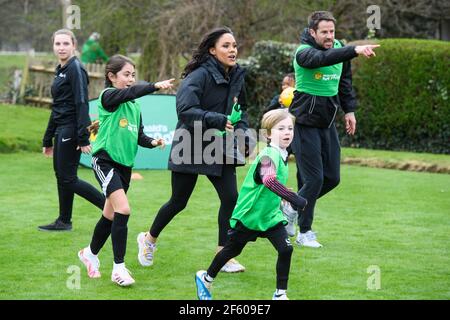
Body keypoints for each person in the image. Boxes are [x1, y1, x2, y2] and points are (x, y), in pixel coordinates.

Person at [137, 27, 252, 273]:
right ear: (212, 50)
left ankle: (224, 255)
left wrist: (244, 135)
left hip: (220, 145)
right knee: (179, 201)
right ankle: (149, 239)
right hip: (190, 142)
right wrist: (218, 120)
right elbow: (185, 110)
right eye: (226, 46)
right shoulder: (198, 76)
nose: (232, 50)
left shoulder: (237, 76)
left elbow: (240, 111)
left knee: (231, 199)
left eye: (234, 46)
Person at [77, 54, 174, 286]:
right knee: (124, 209)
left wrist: (153, 142)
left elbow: (139, 135)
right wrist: (154, 86)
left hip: (125, 167)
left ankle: (89, 254)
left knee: (110, 216)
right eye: (126, 75)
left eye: (133, 75)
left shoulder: (134, 106)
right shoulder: (108, 96)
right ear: (112, 77)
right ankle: (118, 268)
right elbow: (128, 93)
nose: (131, 79)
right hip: (105, 162)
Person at [195, 109, 307, 300]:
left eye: (290, 128)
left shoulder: (282, 154)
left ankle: (280, 294)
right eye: (281, 128)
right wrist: (293, 197)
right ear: (269, 134)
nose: (287, 132)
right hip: (250, 216)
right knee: (232, 250)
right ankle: (205, 278)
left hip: (270, 216)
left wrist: (285, 199)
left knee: (286, 249)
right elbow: (269, 180)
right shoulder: (268, 155)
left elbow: (271, 186)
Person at [289, 11, 379, 247]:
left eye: (332, 32)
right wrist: (354, 50)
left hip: (327, 123)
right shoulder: (303, 53)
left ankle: (291, 205)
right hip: (304, 123)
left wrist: (349, 111)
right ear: (312, 32)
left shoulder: (339, 49)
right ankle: (304, 232)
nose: (329, 37)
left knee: (332, 178)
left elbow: (344, 83)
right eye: (324, 32)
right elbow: (321, 59)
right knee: (314, 179)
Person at [39, 29, 105, 232]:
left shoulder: (76, 68)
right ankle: (64, 221)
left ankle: (112, 209)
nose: (61, 47)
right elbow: (57, 106)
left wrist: (83, 137)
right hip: (60, 128)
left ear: (74, 45)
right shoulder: (60, 69)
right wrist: (47, 138)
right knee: (62, 176)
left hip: (71, 129)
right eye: (58, 44)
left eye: (65, 43)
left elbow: (82, 103)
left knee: (68, 178)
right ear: (53, 46)